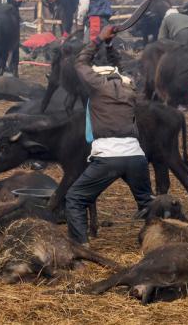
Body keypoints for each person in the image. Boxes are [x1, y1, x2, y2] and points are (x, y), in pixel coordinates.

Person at [65, 25, 153, 246]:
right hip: (136, 156)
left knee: (75, 198)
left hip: (107, 157)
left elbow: (80, 63)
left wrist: (98, 39)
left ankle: (81, 247)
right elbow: (122, 70)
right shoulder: (130, 89)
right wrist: (110, 45)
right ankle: (163, 239)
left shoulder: (97, 87)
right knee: (148, 204)